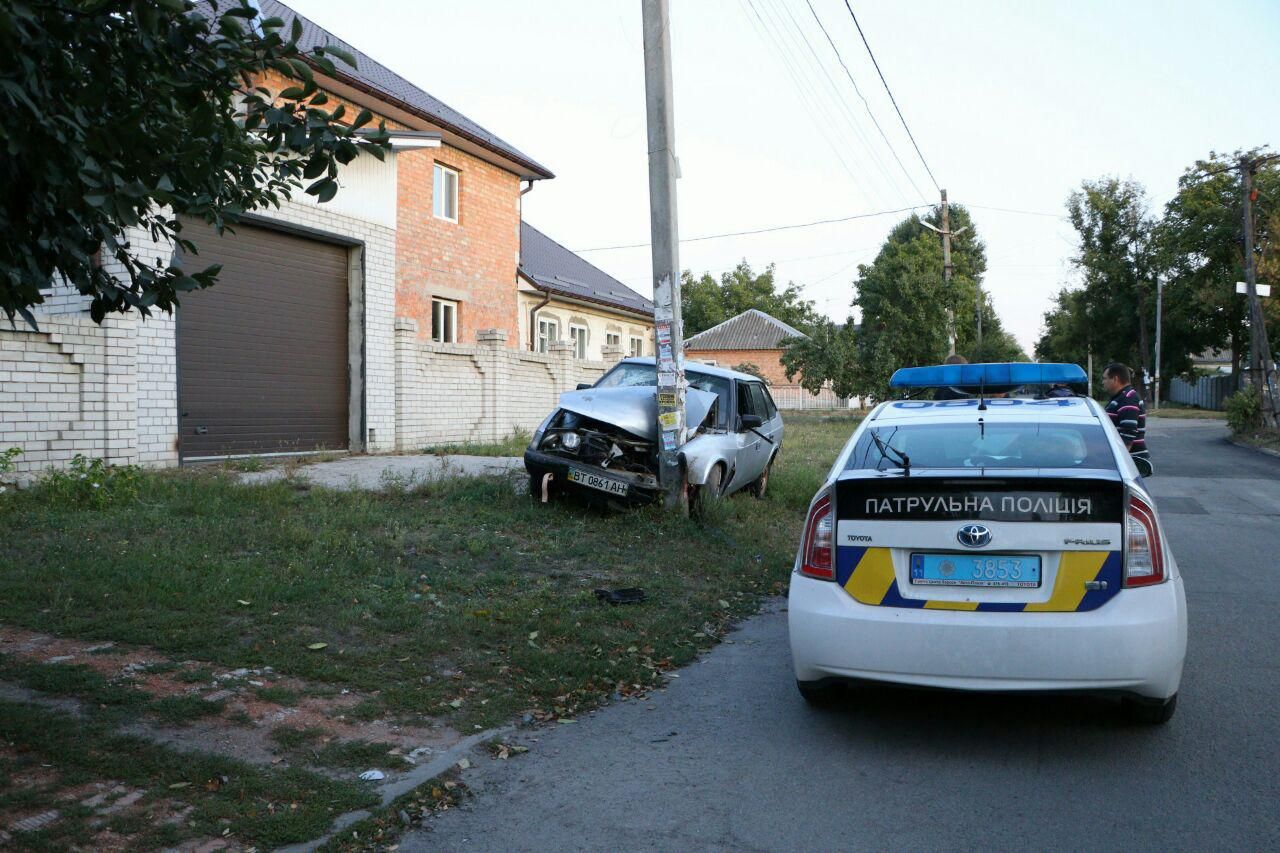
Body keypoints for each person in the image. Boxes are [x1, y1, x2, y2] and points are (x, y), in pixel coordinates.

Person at [1103, 362, 1150, 470]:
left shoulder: (1128, 399)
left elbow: (1128, 434)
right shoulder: (1120, 397)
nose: (1103, 382)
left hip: (1129, 461)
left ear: (1115, 379)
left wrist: (1120, 462)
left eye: (1105, 378)